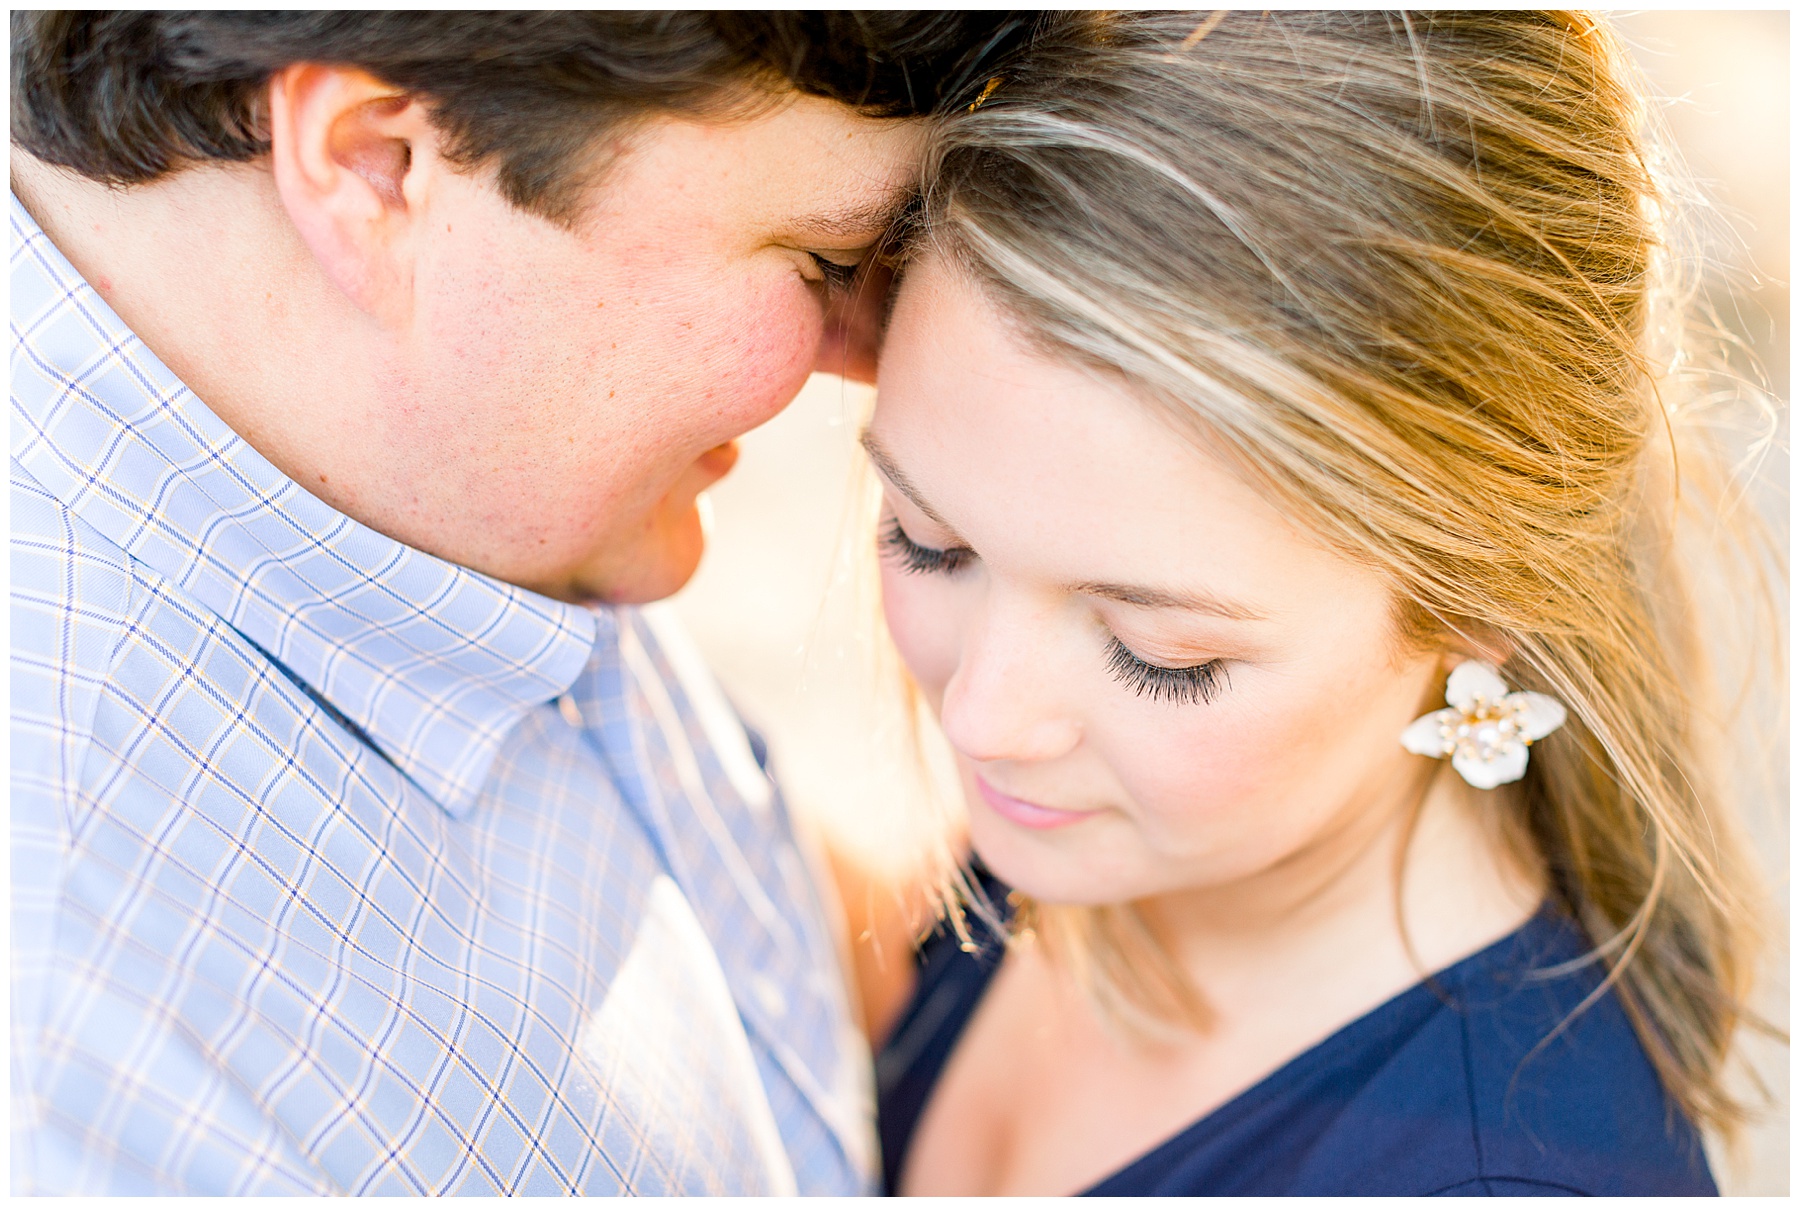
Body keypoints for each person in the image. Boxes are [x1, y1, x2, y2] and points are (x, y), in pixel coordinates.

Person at [8, 11, 1064, 1194]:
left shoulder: (437, 463)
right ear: (378, 165)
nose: (871, 353)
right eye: (825, 260)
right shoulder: (93, 1084)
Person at [856, 11, 1776, 1196]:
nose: (981, 717)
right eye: (929, 543)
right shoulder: (1117, 839)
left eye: (1158, 655)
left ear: (1478, 591)